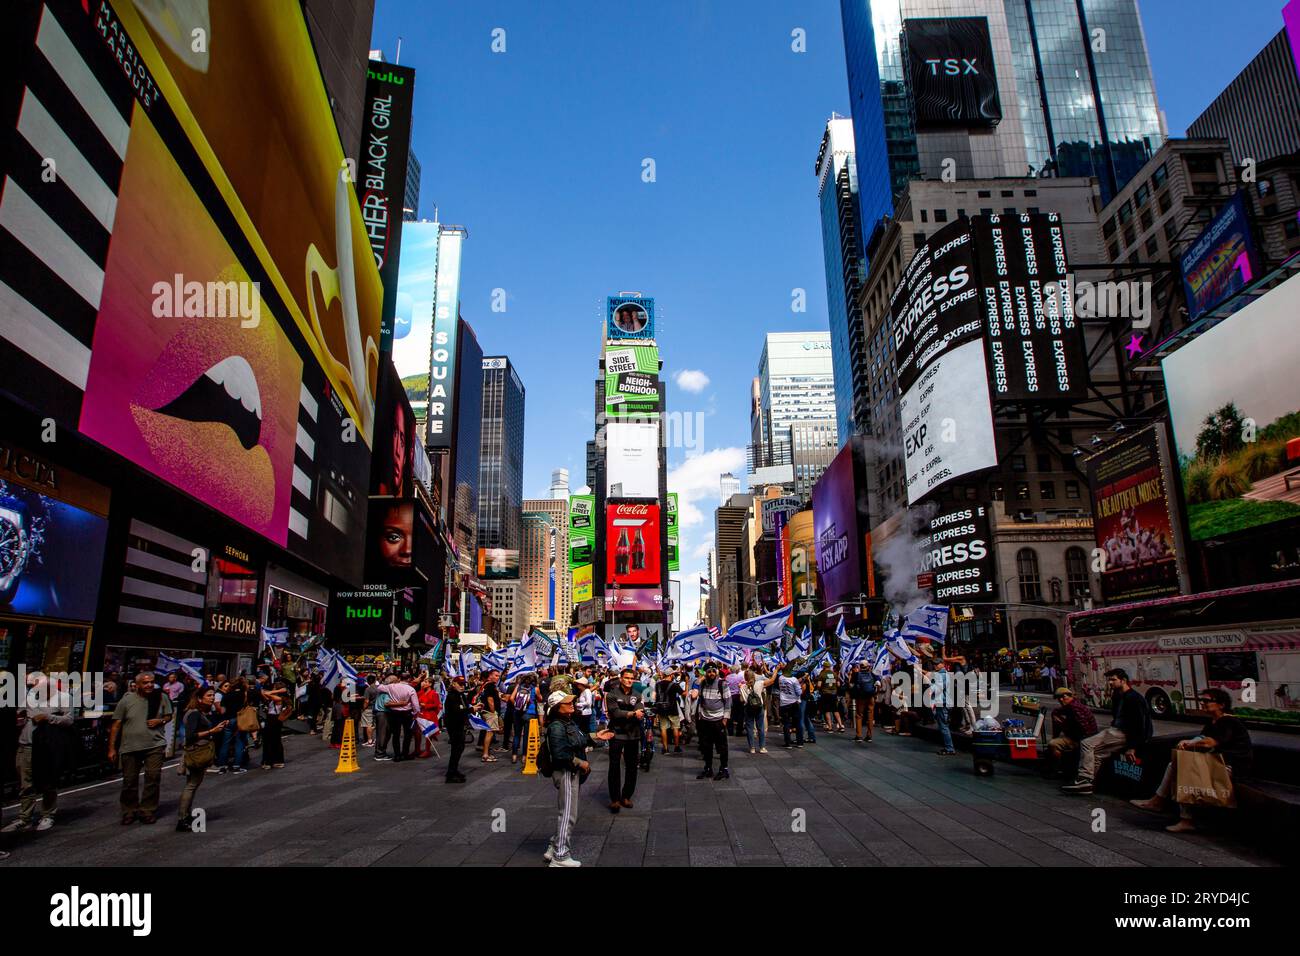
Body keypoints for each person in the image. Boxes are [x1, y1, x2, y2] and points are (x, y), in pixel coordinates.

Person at [1131, 688, 1252, 832]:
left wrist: (1190, 743)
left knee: (1185, 767)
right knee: (1177, 764)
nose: (1203, 703)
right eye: (1202, 701)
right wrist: (1190, 742)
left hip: (1231, 767)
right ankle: (1160, 802)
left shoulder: (1228, 721)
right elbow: (1201, 738)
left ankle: (1181, 816)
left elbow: (1210, 742)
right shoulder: (1213, 722)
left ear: (1221, 704)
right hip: (1218, 762)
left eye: (1207, 701)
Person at [543, 691, 615, 867]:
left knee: (568, 812)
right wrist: (579, 763)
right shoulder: (556, 727)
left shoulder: (568, 721)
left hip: (571, 771)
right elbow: (560, 754)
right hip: (567, 771)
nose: (572, 704)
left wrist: (596, 736)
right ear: (557, 708)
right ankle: (560, 856)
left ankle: (554, 846)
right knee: (568, 814)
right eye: (567, 703)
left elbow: (578, 739)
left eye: (571, 701)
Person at [3, 672, 74, 835]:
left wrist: (48, 717)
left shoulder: (64, 697)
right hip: (26, 743)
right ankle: (24, 817)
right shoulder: (29, 697)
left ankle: (48, 814)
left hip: (47, 746)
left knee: (48, 781)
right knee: (25, 783)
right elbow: (20, 713)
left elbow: (69, 720)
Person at [1062, 668, 1153, 794]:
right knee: (1097, 753)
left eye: (1113, 680)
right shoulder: (1117, 695)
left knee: (1087, 743)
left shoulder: (1134, 698)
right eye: (1109, 680)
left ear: (1123, 680)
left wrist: (1132, 747)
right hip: (1117, 730)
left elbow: (1139, 725)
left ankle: (1085, 779)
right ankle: (1088, 784)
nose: (1110, 683)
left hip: (1123, 733)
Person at [108, 671, 172, 825]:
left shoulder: (160, 697)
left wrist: (160, 721)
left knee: (153, 777)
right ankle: (129, 810)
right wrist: (111, 748)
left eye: (151, 682)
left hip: (154, 744)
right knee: (129, 781)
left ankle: (147, 810)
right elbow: (116, 724)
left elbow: (169, 715)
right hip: (130, 746)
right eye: (145, 682)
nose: (149, 685)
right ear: (136, 685)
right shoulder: (127, 700)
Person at [177, 687, 226, 832]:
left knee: (193, 784)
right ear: (199, 698)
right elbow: (191, 736)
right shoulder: (194, 714)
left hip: (198, 752)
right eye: (209, 695)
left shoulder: (200, 713)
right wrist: (212, 731)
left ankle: (186, 815)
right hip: (196, 752)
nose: (212, 698)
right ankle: (183, 818)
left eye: (212, 695)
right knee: (191, 784)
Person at [604, 668, 646, 812]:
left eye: (631, 678)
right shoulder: (612, 694)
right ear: (621, 678)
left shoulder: (637, 694)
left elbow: (640, 709)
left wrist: (634, 713)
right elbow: (615, 713)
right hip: (616, 734)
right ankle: (614, 799)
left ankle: (626, 796)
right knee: (614, 766)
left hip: (633, 734)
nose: (629, 680)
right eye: (626, 677)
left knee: (632, 766)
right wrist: (632, 713)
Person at [691, 662, 731, 780]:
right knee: (706, 746)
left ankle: (724, 769)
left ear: (716, 672)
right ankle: (708, 768)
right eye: (709, 671)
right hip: (705, 720)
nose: (711, 673)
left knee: (722, 746)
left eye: (713, 671)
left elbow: (728, 702)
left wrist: (725, 719)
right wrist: (700, 715)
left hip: (718, 721)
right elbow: (697, 696)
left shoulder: (722, 684)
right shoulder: (702, 683)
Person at [1047, 687, 1098, 773]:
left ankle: (1059, 769)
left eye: (1063, 697)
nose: (1061, 700)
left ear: (1069, 696)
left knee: (1053, 744)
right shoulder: (1071, 706)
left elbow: (1084, 729)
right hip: (1080, 737)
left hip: (1083, 739)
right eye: (1059, 698)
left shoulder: (1075, 708)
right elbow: (1057, 711)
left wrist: (1064, 726)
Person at [742, 667, 778, 754]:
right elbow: (772, 680)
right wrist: (776, 669)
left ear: (745, 677)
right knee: (760, 727)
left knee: (750, 728)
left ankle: (752, 748)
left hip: (748, 708)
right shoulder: (760, 683)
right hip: (759, 707)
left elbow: (741, 700)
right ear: (753, 676)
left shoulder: (742, 686)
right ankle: (762, 747)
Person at [926, 660, 957, 756]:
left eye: (937, 663)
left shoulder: (942, 675)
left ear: (942, 664)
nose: (935, 665)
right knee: (943, 725)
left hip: (943, 703)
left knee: (943, 726)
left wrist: (929, 683)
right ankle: (948, 747)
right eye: (934, 664)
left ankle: (950, 748)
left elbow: (937, 688)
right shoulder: (943, 674)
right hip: (944, 702)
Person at [442, 675, 469, 783]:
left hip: (460, 725)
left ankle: (454, 770)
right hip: (454, 726)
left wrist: (472, 708)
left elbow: (465, 707)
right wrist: (471, 709)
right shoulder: (452, 696)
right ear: (454, 684)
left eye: (463, 684)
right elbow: (457, 711)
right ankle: (451, 773)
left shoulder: (461, 695)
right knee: (456, 749)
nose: (462, 687)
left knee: (460, 748)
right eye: (460, 684)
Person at [655, 670, 685, 754]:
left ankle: (665, 748)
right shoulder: (674, 685)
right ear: (671, 675)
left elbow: (657, 696)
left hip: (661, 709)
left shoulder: (658, 684)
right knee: (675, 727)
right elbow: (684, 694)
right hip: (672, 708)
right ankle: (676, 747)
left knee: (663, 728)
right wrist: (687, 683)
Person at [260, 680, 288, 769]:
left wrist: (277, 691)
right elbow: (263, 693)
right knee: (274, 739)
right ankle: (276, 760)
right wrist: (278, 690)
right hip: (272, 719)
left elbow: (267, 694)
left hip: (274, 719)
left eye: (274, 687)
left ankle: (269, 761)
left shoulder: (280, 698)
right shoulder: (275, 697)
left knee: (270, 740)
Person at [848, 663, 878, 743]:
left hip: (861, 697)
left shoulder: (856, 674)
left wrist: (850, 676)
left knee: (859, 715)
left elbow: (851, 685)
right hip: (870, 697)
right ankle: (869, 736)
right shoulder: (872, 674)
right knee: (870, 716)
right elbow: (878, 684)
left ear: (860, 667)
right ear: (868, 667)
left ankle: (859, 736)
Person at [477, 669, 502, 763]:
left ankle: (486, 752)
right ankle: (485, 755)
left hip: (485, 711)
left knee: (489, 732)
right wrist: (494, 712)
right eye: (496, 675)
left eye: (498, 676)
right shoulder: (490, 685)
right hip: (489, 712)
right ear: (490, 675)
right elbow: (490, 700)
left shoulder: (485, 685)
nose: (497, 677)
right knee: (489, 732)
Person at [777, 668, 804, 748]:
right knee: (798, 723)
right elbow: (799, 692)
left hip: (784, 703)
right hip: (794, 703)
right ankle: (800, 742)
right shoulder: (794, 680)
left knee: (786, 723)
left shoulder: (781, 678)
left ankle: (787, 743)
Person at [415, 678, 442, 758]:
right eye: (424, 681)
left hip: (430, 715)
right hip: (421, 714)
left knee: (428, 734)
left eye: (426, 682)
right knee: (417, 732)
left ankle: (427, 750)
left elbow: (436, 705)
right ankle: (417, 749)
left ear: (430, 684)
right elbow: (414, 696)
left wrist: (425, 705)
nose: (424, 683)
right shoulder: (421, 692)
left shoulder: (434, 693)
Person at [819, 663, 844, 733]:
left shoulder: (822, 674)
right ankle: (841, 726)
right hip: (834, 694)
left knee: (827, 710)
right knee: (835, 710)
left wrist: (820, 688)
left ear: (824, 667)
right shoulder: (834, 674)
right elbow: (838, 684)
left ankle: (830, 727)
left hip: (825, 693)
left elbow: (819, 685)